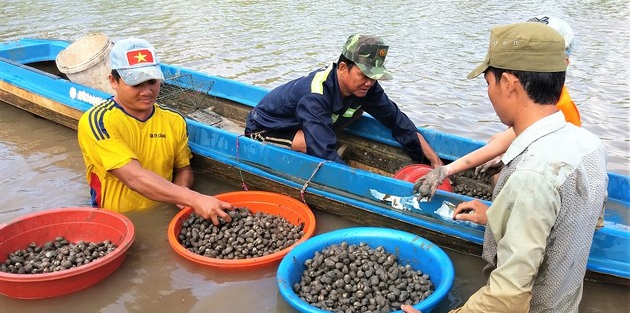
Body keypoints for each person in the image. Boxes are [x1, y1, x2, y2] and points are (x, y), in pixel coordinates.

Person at [405, 22, 608, 313]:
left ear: (510, 83)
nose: (489, 93)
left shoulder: (531, 176)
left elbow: (508, 298)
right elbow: (579, 221)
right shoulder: (590, 145)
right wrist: (499, 216)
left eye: (489, 82)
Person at [414, 15, 581, 201]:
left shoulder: (556, 106)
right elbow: (504, 140)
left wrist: (446, 169)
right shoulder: (542, 96)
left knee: (500, 156)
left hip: (552, 184)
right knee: (497, 143)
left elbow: (503, 145)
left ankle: (498, 210)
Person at [77, 37, 234, 225]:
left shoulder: (174, 120)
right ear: (113, 81)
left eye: (152, 81)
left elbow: (183, 169)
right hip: (114, 220)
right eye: (136, 84)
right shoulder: (98, 122)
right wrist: (194, 199)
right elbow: (133, 177)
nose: (147, 91)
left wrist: (181, 193)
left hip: (164, 209)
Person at [244, 34, 443, 167]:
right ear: (342, 68)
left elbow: (397, 121)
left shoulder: (368, 87)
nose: (369, 83)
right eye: (364, 75)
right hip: (266, 128)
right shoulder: (315, 95)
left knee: (358, 111)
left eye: (374, 77)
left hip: (309, 121)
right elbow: (323, 152)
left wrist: (433, 161)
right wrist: (357, 180)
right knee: (313, 143)